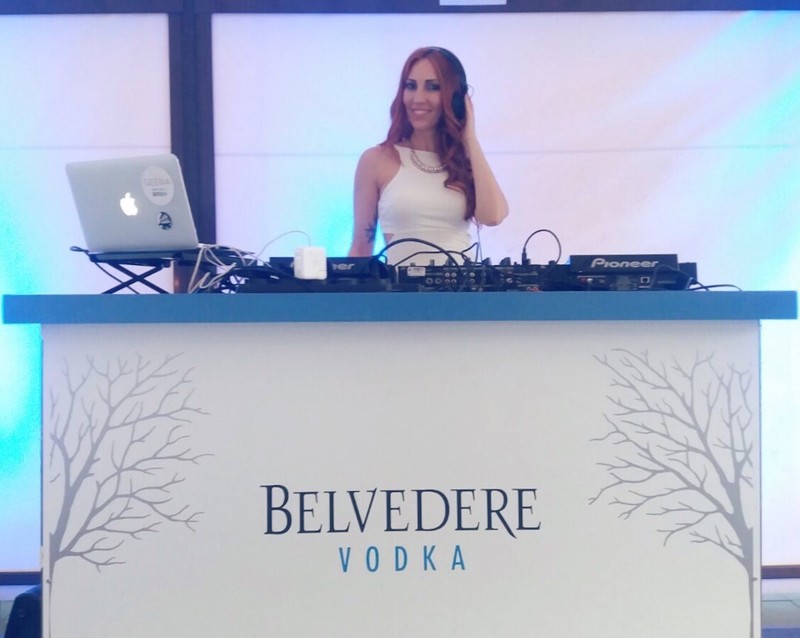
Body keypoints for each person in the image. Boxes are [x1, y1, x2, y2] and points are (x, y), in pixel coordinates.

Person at [348, 46, 509, 265]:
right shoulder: (376, 160)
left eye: (433, 87)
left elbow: (493, 216)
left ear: (455, 98)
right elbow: (360, 249)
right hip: (401, 286)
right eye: (410, 86)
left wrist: (470, 139)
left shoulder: (465, 162)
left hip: (463, 285)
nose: (418, 98)